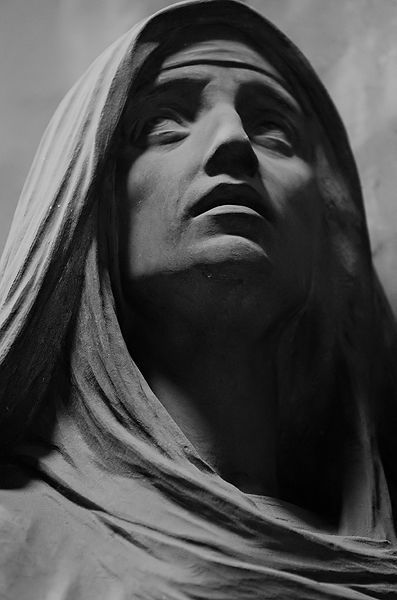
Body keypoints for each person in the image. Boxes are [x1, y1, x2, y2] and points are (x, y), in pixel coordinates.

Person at [0, 0, 396, 597]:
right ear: (90, 210)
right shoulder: (15, 544)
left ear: (328, 225)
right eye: (163, 123)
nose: (234, 141)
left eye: (275, 130)